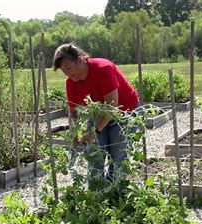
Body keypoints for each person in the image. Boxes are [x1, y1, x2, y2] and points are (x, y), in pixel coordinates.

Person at [53, 43, 139, 186]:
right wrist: (73, 134)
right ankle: (96, 195)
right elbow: (73, 113)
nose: (67, 73)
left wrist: (94, 131)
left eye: (68, 67)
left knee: (118, 156)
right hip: (97, 115)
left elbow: (112, 107)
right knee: (94, 156)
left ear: (80, 59)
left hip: (124, 112)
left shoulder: (103, 69)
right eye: (63, 70)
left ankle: (116, 194)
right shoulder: (71, 83)